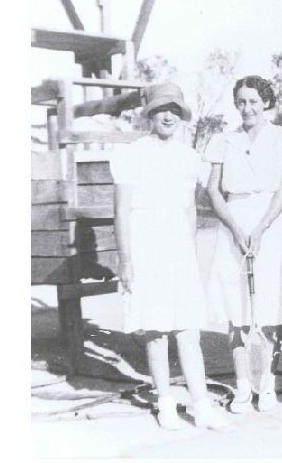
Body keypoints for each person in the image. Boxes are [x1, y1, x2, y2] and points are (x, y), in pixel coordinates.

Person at [111, 83, 232, 431]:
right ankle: (165, 401)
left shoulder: (189, 158)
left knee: (189, 330)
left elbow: (191, 211)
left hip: (178, 247)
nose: (168, 116)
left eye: (175, 110)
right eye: (162, 109)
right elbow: (120, 211)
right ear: (150, 113)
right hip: (146, 246)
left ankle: (202, 406)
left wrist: (191, 254)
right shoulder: (131, 154)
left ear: (181, 116)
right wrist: (126, 259)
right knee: (156, 330)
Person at [203, 76, 282, 414]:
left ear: (266, 103)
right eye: (242, 101)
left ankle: (268, 384)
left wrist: (261, 227)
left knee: (271, 306)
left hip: (270, 223)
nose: (247, 108)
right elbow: (213, 190)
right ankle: (243, 385)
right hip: (233, 222)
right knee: (237, 308)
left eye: (254, 101)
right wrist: (234, 227)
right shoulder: (223, 140)